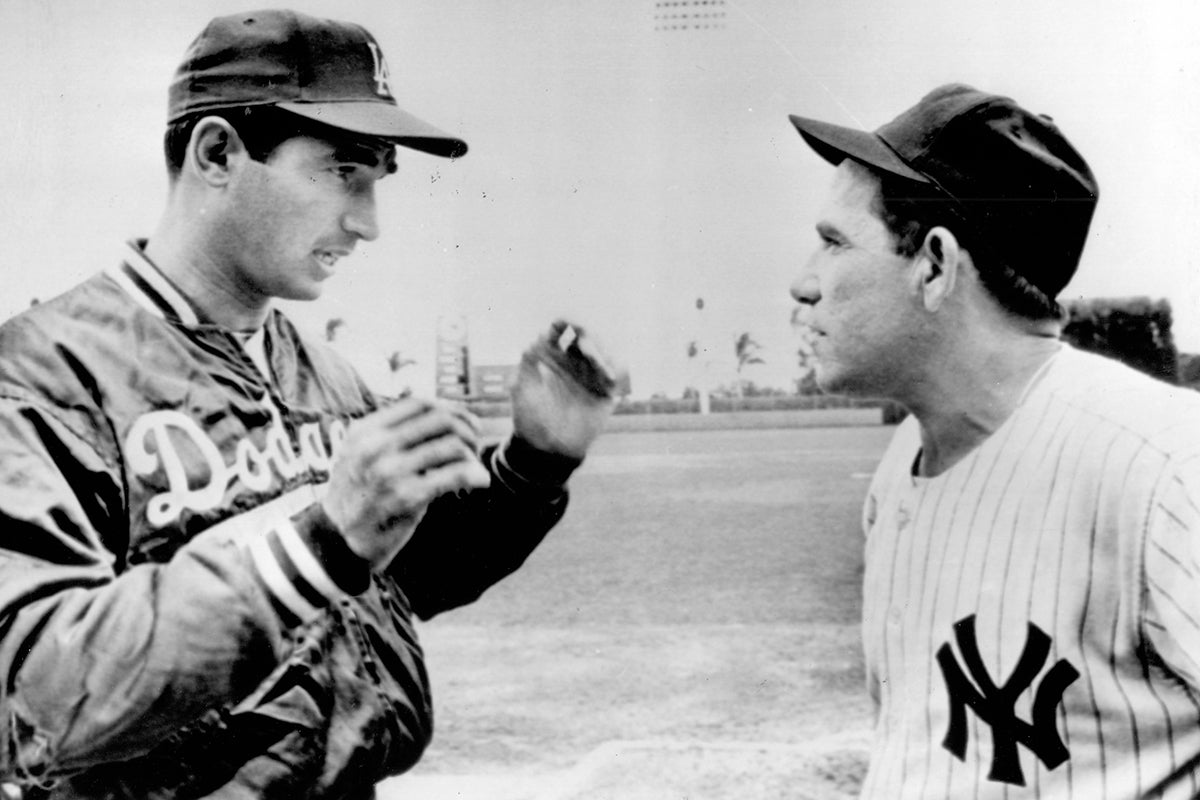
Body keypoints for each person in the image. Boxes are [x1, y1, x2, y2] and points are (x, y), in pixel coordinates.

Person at [0, 9, 620, 799]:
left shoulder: (322, 372)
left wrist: (536, 462)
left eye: (376, 182)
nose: (368, 223)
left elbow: (399, 580)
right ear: (218, 152)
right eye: (341, 173)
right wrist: (322, 543)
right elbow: (30, 692)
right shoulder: (41, 375)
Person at [788, 84, 1200, 798]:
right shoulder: (901, 471)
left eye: (833, 243)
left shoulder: (1165, 466)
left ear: (936, 265)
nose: (803, 284)